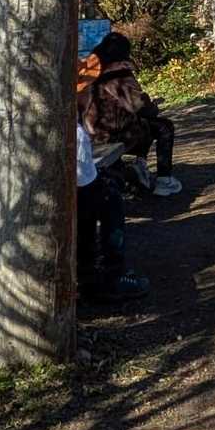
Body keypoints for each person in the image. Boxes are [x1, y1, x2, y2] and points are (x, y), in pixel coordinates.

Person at [77, 31, 182, 196]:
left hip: (88, 135)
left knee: (143, 124)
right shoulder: (117, 72)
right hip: (111, 135)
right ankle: (164, 180)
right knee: (164, 127)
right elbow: (138, 105)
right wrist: (153, 107)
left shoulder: (88, 70)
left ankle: (138, 167)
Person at [76, 119, 148, 299]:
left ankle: (89, 270)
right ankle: (111, 275)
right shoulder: (73, 132)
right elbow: (85, 182)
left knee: (101, 189)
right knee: (109, 196)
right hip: (71, 197)